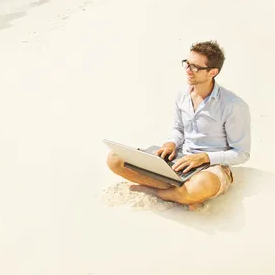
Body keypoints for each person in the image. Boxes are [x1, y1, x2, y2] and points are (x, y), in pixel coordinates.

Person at [107, 41, 251, 210]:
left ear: (212, 72)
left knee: (201, 185)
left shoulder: (233, 105)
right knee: (115, 159)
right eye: (187, 64)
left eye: (195, 67)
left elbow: (242, 153)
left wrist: (205, 157)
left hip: (211, 167)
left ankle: (157, 191)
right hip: (180, 160)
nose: (188, 70)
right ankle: (180, 193)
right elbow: (179, 129)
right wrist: (171, 143)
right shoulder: (183, 94)